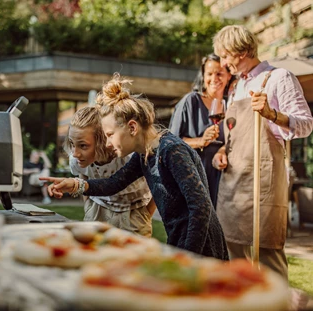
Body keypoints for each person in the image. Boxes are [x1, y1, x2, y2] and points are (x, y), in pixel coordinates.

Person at [42, 73, 229, 260]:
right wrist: (74, 185)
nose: (107, 143)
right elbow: (113, 184)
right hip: (180, 238)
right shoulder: (145, 155)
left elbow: (200, 208)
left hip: (203, 245)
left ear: (132, 128)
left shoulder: (172, 151)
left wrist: (188, 257)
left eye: (110, 134)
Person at [212, 25, 313, 279]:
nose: (223, 64)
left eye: (226, 56)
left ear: (244, 50)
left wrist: (272, 114)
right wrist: (222, 151)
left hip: (263, 183)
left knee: (268, 258)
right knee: (233, 256)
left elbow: (306, 124)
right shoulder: (235, 88)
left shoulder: (279, 78)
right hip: (233, 186)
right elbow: (235, 135)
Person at [63, 106, 156, 237]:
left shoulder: (127, 156)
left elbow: (157, 183)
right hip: (98, 209)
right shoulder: (77, 159)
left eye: (83, 145)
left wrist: (145, 213)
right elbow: (83, 176)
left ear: (102, 141)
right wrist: (88, 206)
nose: (75, 153)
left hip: (133, 211)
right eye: (72, 143)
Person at [169, 53, 232, 208]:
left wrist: (223, 149)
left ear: (229, 75)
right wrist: (201, 141)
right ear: (203, 76)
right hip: (195, 176)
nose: (214, 78)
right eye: (209, 74)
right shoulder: (191, 101)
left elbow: (235, 139)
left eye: (219, 73)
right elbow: (170, 143)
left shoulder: (232, 105)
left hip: (224, 178)